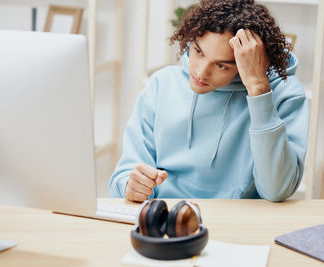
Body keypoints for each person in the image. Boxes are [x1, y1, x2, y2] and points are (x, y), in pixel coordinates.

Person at [109, 0, 309, 202]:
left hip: (238, 224)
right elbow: (124, 175)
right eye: (198, 51)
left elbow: (277, 190)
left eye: (222, 65)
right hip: (166, 217)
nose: (201, 72)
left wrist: (258, 89)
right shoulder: (162, 84)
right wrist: (130, 185)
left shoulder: (283, 93)